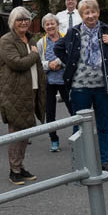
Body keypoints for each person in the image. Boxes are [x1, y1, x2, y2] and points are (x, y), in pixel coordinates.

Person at [54, 0, 108, 178]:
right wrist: (70, 63)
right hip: (80, 88)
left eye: (93, 11)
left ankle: (104, 163)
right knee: (79, 127)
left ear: (98, 12)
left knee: (104, 126)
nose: (91, 15)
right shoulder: (74, 32)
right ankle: (81, 164)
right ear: (81, 15)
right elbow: (58, 48)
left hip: (104, 87)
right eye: (86, 12)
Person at [0, 6, 46, 184]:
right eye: (20, 19)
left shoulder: (30, 39)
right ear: (12, 22)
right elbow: (16, 63)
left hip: (31, 90)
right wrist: (34, 55)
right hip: (15, 92)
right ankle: (14, 170)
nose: (24, 22)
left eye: (26, 19)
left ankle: (19, 166)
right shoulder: (6, 40)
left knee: (26, 131)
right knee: (16, 132)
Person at [36, 13, 70, 153]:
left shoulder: (65, 38)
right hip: (48, 82)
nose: (50, 26)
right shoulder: (41, 42)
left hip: (65, 80)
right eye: (47, 24)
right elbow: (38, 62)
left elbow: (71, 55)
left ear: (57, 24)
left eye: (52, 23)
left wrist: (59, 62)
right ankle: (54, 140)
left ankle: (79, 136)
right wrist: (49, 65)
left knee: (73, 109)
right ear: (44, 27)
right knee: (50, 113)